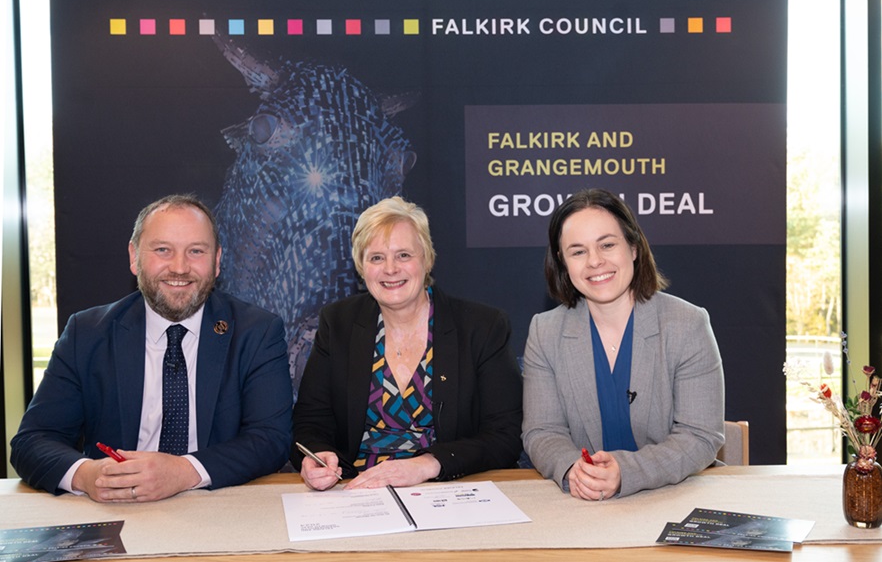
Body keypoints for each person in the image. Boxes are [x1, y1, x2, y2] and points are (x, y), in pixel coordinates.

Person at [11, 194, 293, 502]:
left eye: (196, 251)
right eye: (163, 250)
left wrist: (182, 471)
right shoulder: (88, 333)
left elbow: (270, 440)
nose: (180, 267)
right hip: (116, 506)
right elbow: (33, 441)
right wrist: (88, 476)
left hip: (218, 505)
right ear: (134, 257)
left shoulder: (256, 331)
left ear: (216, 261)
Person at [291, 196, 523, 490]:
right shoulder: (338, 324)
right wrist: (317, 456)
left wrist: (428, 464)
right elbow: (310, 422)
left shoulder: (482, 327)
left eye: (403, 255)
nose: (390, 269)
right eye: (376, 257)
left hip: (449, 487)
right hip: (356, 491)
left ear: (427, 259)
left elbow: (505, 435)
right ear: (361, 266)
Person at [522, 188, 725, 500]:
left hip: (674, 496)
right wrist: (573, 469)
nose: (594, 261)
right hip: (583, 504)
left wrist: (626, 472)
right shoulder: (544, 331)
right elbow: (541, 432)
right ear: (562, 263)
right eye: (577, 252)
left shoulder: (687, 323)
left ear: (633, 247)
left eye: (607, 245)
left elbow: (700, 436)